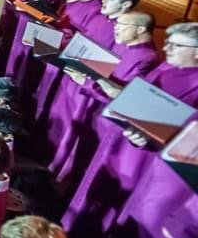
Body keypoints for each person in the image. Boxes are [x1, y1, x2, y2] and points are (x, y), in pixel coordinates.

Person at [62, 21, 198, 238]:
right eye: (168, 42)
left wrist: (154, 139)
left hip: (150, 164)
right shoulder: (166, 67)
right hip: (125, 142)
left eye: (176, 45)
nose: (167, 49)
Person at [43, 10, 158, 185]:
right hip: (95, 106)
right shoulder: (123, 46)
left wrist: (88, 82)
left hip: (111, 119)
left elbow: (127, 95)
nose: (116, 29)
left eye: (122, 25)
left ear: (141, 29)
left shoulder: (147, 57)